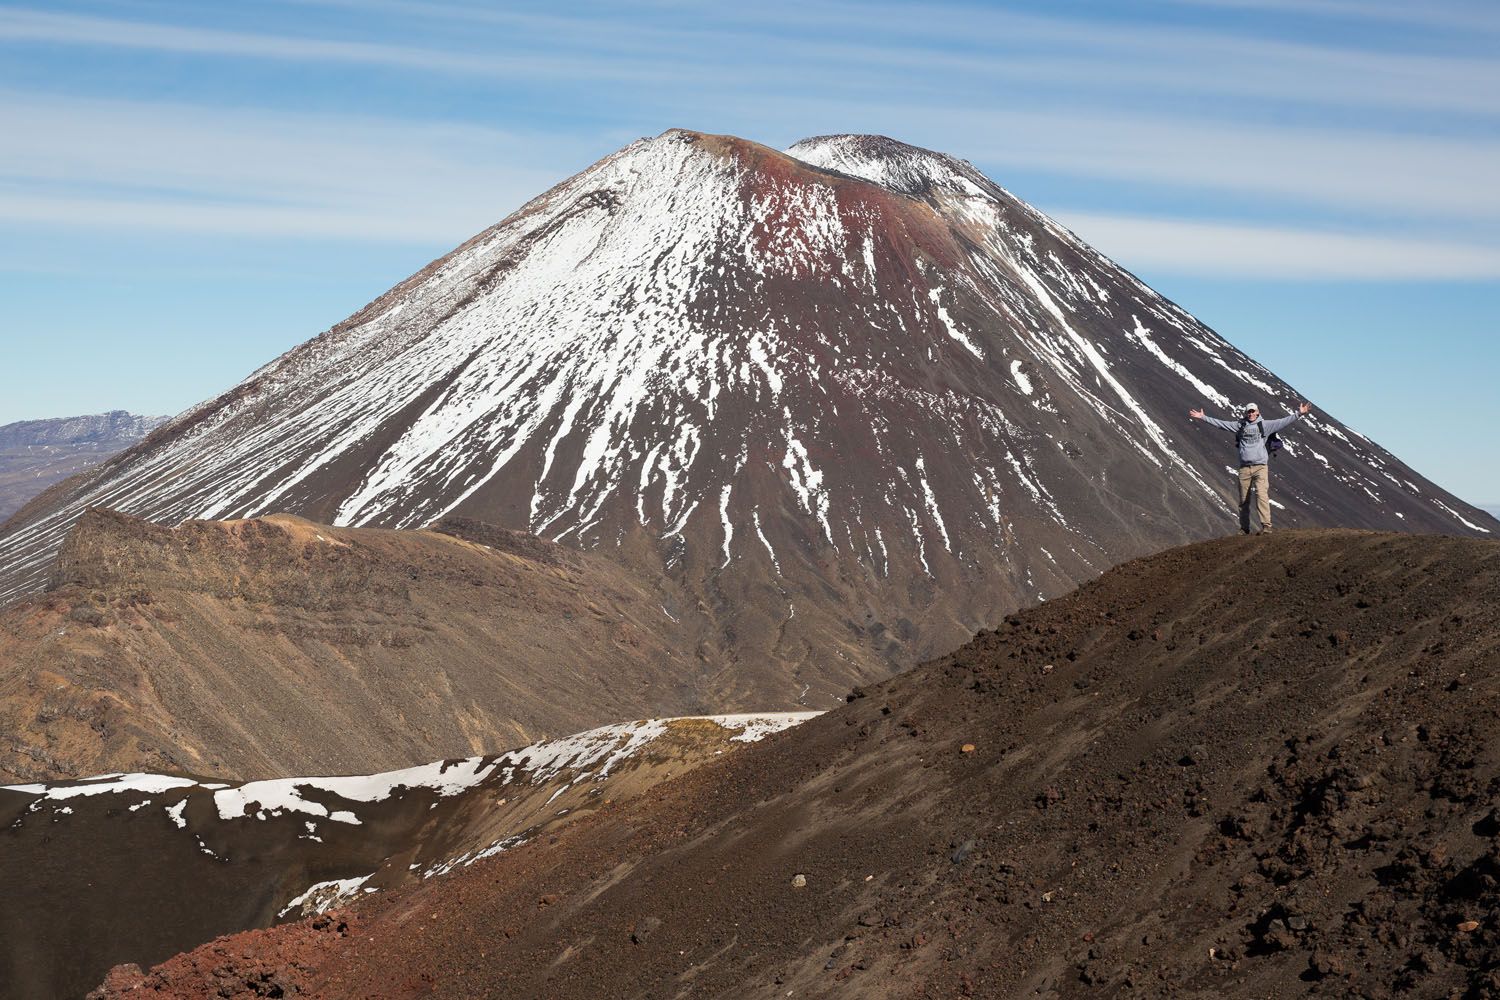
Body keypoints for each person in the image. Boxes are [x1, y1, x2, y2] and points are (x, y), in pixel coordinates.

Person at [1189, 401, 1312, 534]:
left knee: (1261, 495)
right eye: (1249, 411)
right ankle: (1244, 528)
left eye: (1253, 411)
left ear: (1258, 412)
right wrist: (1203, 417)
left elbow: (1283, 421)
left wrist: (1299, 413)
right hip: (1244, 468)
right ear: (1246, 413)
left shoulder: (1265, 425)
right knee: (1243, 500)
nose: (1251, 413)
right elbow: (1222, 424)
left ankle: (1266, 526)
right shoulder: (1240, 425)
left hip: (1260, 467)